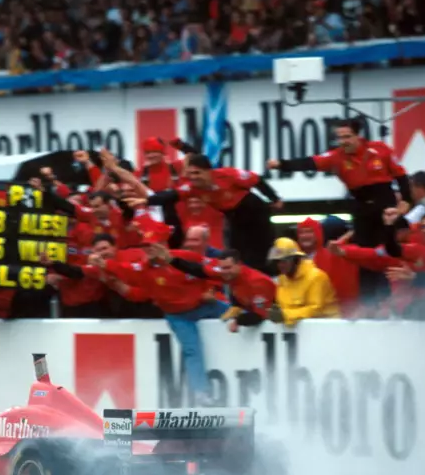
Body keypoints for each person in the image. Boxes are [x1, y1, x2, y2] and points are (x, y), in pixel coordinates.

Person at [267, 118, 409, 304]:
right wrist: (282, 164)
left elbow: (401, 175)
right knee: (363, 257)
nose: (344, 141)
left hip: (385, 207)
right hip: (361, 208)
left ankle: (391, 300)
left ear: (358, 136)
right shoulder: (337, 156)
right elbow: (310, 162)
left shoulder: (380, 150)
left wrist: (406, 200)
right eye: (340, 138)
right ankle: (368, 305)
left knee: (385, 253)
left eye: (347, 137)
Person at [102, 222, 230, 406]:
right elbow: (124, 272)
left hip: (204, 305)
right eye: (146, 247)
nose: (148, 251)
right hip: (178, 316)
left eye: (152, 246)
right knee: (192, 350)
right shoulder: (143, 268)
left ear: (163, 245)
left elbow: (216, 269)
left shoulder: (186, 257)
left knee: (238, 314)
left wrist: (212, 288)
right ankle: (202, 393)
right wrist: (104, 265)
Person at [126, 154, 282, 271]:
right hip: (234, 217)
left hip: (255, 211)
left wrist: (274, 198)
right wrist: (146, 201)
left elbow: (257, 180)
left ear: (208, 171)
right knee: (238, 256)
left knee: (264, 250)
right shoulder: (193, 188)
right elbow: (170, 195)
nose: (193, 178)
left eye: (197, 173)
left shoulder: (228, 174)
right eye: (190, 174)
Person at [161, 246, 277, 332]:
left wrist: (238, 321)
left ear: (239, 264)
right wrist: (173, 261)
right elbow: (199, 271)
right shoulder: (228, 274)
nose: (225, 272)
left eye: (228, 268)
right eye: (222, 268)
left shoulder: (257, 282)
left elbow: (260, 316)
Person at [267, 237, 340, 325]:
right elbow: (284, 306)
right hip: (297, 329)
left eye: (284, 261)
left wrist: (285, 315)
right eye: (277, 261)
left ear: (296, 259)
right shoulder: (282, 279)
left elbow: (315, 309)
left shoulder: (316, 277)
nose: (280, 265)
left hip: (328, 327)